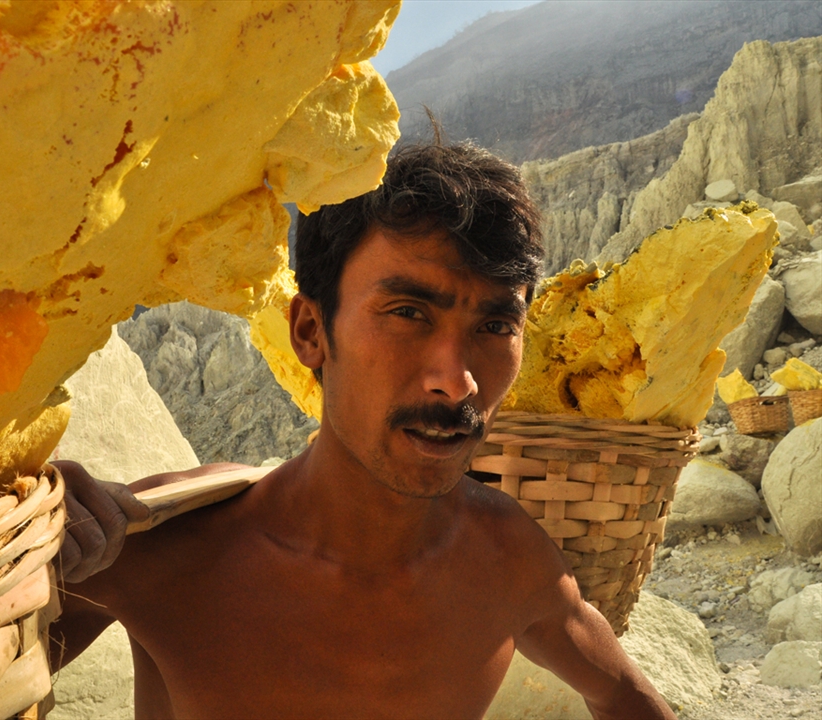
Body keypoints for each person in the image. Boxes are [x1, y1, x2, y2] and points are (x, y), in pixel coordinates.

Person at [52, 139, 677, 720]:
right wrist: (28, 541)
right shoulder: (168, 544)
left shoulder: (505, 558)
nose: (457, 382)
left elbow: (624, 694)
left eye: (494, 327)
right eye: (408, 313)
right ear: (310, 332)